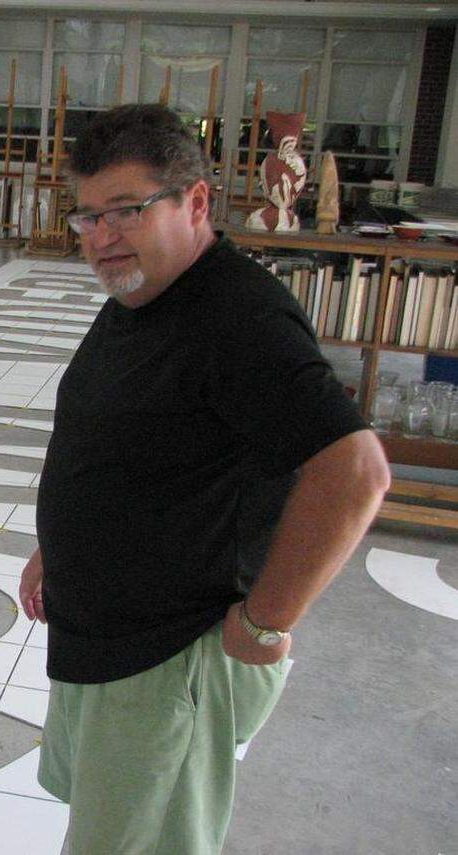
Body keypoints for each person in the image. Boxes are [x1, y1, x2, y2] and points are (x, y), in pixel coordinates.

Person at [19, 103, 390, 854]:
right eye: (86, 217)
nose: (101, 237)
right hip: (111, 645)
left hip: (170, 662)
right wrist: (62, 547)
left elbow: (354, 470)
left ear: (195, 203)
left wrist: (266, 621)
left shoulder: (237, 318)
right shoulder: (145, 292)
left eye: (126, 210)